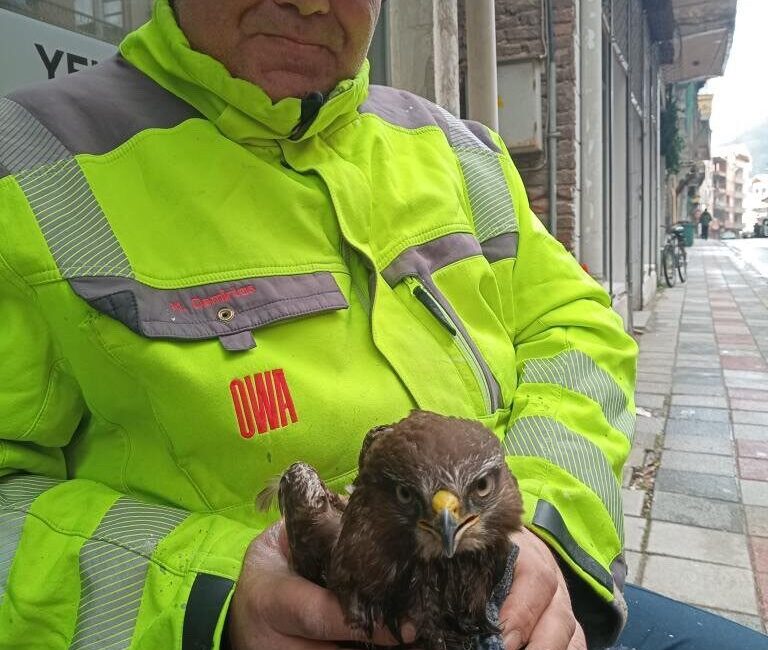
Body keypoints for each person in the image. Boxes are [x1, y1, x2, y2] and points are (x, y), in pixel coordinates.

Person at [0, 2, 764, 649]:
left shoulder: (456, 148)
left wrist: (540, 537)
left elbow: (578, 332)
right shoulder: (26, 163)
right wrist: (210, 599)